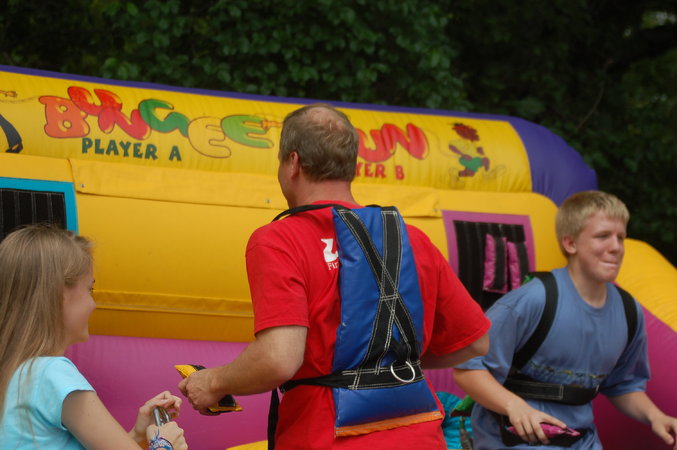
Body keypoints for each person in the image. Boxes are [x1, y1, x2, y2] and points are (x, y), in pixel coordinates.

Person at [178, 103, 490, 449]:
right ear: (350, 166)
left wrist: (214, 382)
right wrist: (388, 363)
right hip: (419, 438)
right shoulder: (411, 239)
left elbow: (278, 359)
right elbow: (474, 343)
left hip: (325, 436)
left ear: (293, 163)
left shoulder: (279, 239)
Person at [453, 190, 677, 449]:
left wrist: (656, 417)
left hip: (581, 441)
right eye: (603, 236)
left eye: (620, 237)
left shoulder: (629, 311)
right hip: (512, 440)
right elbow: (467, 370)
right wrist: (514, 406)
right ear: (570, 244)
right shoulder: (531, 300)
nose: (616, 247)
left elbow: (623, 386)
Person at [0, 225, 189, 450]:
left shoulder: (17, 373)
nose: (93, 305)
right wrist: (165, 444)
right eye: (89, 289)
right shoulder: (52, 373)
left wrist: (137, 434)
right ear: (60, 295)